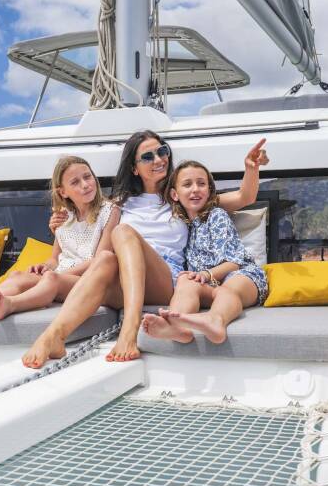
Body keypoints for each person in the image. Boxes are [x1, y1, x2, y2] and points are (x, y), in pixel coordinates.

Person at [22, 131, 269, 368]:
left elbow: (244, 197)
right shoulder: (118, 204)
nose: (159, 160)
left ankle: (129, 330)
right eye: (148, 157)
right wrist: (58, 222)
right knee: (106, 258)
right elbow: (87, 231)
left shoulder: (180, 198)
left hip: (163, 279)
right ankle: (53, 336)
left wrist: (251, 168)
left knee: (123, 232)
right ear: (134, 168)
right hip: (124, 279)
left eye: (162, 152)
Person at [0, 155, 119, 321]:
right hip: (61, 276)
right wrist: (45, 266)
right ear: (63, 192)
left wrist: (55, 274)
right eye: (75, 182)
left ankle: (9, 304)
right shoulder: (63, 216)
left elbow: (100, 261)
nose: (85, 184)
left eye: (87, 177)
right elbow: (55, 258)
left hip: (89, 280)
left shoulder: (110, 211)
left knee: (51, 280)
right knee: (18, 275)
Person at [142, 160, 268, 344]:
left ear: (209, 191)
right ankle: (178, 327)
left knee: (228, 289)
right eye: (187, 184)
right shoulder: (182, 227)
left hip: (242, 275)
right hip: (211, 285)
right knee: (186, 281)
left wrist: (206, 274)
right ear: (175, 194)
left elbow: (234, 262)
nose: (195, 189)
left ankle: (216, 321)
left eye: (201, 184)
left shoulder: (216, 215)